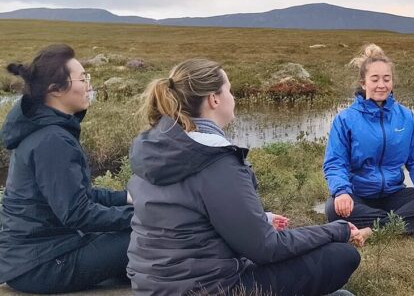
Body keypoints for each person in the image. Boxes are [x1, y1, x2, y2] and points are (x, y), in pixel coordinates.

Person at [127, 59, 367, 296]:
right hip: (208, 288)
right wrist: (336, 230)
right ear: (214, 99)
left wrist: (260, 219)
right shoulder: (215, 160)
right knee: (340, 256)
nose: (233, 97)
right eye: (229, 90)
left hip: (154, 286)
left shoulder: (160, 149)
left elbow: (187, 219)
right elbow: (266, 249)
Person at [0, 44, 134, 293]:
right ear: (55, 90)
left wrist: (126, 198)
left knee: (134, 235)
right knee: (150, 237)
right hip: (41, 265)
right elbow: (77, 213)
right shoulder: (52, 140)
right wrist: (143, 219)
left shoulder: (47, 131)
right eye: (83, 79)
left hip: (37, 255)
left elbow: (77, 194)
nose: (89, 85)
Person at [324, 44, 414, 234]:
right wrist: (341, 192)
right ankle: (405, 224)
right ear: (363, 83)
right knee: (334, 209)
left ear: (392, 82)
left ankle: (370, 229)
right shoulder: (345, 119)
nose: (381, 85)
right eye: (375, 79)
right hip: (359, 195)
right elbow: (335, 163)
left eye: (386, 79)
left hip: (394, 194)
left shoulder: (406, 117)